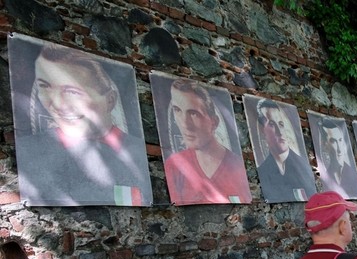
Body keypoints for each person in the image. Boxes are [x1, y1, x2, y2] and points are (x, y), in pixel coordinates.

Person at [15, 42, 152, 206]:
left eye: (73, 91)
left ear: (110, 100)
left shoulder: (137, 153)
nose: (57, 104)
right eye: (45, 86)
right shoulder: (28, 150)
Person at [163, 79, 251, 204]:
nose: (184, 124)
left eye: (194, 113)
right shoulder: (174, 165)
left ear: (214, 122)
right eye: (177, 110)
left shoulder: (236, 166)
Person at [255, 99, 316, 203]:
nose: (280, 132)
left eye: (281, 124)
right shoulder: (263, 170)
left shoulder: (302, 167)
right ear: (262, 130)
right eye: (272, 124)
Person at [317, 118, 357, 198]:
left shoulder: (352, 174)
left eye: (340, 140)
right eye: (333, 141)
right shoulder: (326, 175)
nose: (339, 149)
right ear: (325, 145)